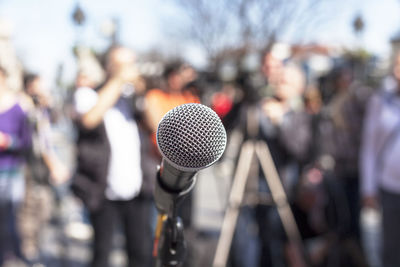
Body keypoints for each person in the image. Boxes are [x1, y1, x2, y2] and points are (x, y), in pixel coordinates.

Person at [71, 45, 153, 267]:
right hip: (103, 190)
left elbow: (155, 124)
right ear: (109, 66)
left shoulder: (133, 96)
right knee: (102, 254)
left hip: (137, 189)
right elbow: (89, 119)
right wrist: (117, 80)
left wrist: (143, 91)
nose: (129, 69)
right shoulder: (89, 93)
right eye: (122, 64)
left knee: (141, 252)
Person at [17, 73, 70, 264]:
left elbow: (55, 128)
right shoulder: (25, 109)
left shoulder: (43, 111)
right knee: (28, 214)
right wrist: (54, 165)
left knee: (44, 212)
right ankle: (28, 253)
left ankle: (36, 250)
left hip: (43, 172)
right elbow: (39, 143)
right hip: (29, 170)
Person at [360, 51, 400, 267]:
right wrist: (368, 188)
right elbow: (369, 148)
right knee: (392, 249)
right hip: (390, 187)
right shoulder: (380, 100)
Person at [0, 66, 32, 265]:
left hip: (11, 173)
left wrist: (8, 141)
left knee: (9, 221)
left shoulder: (18, 108)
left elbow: (26, 142)